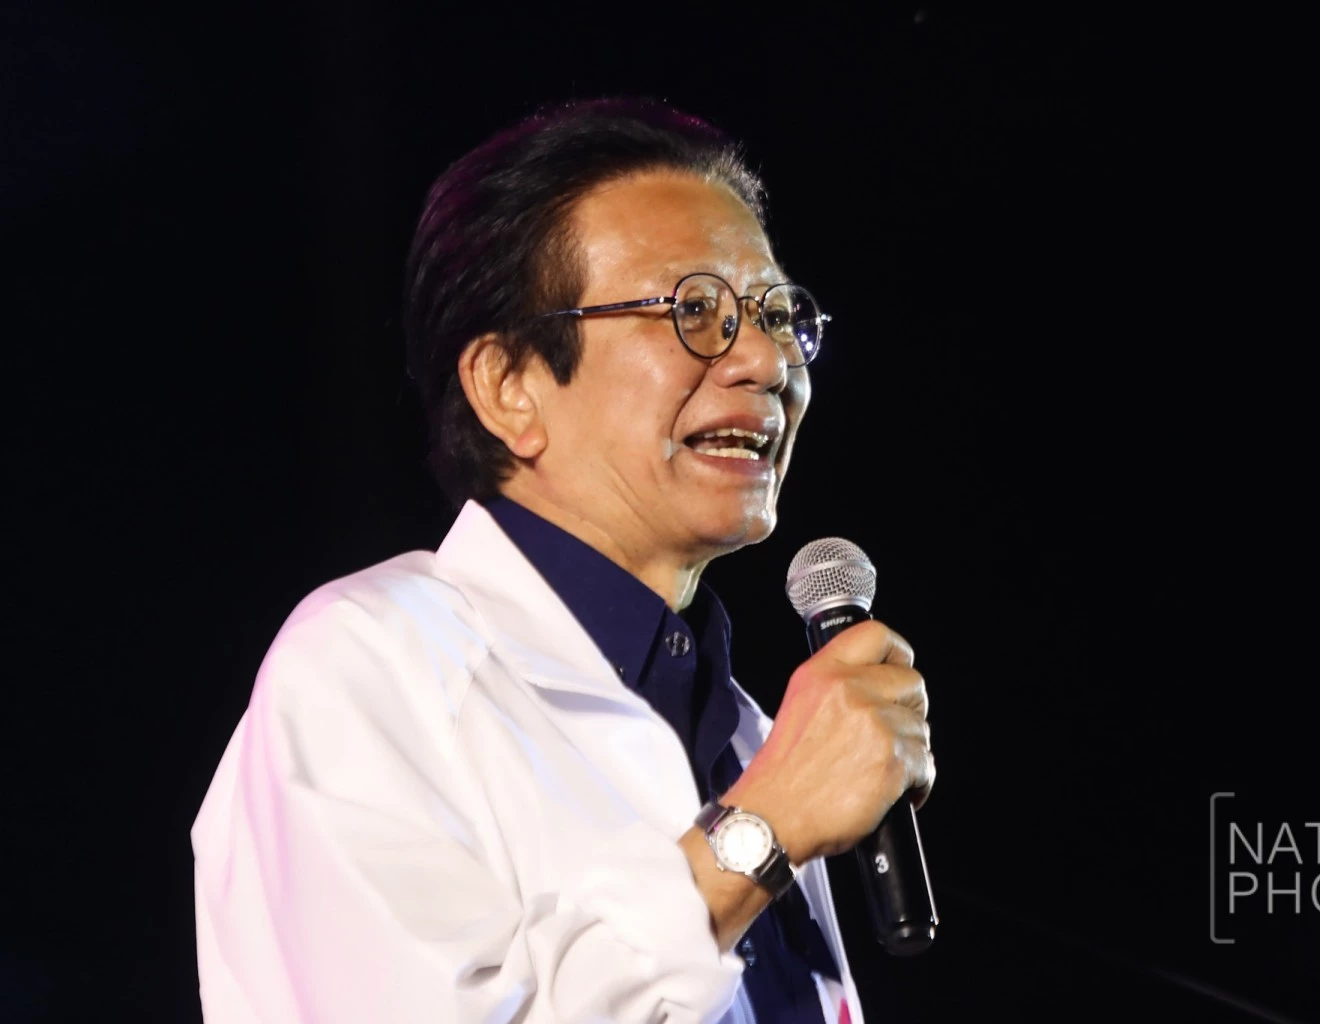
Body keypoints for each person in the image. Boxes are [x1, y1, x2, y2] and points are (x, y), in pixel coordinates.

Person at [190, 98, 935, 1024]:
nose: (764, 361)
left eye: (777, 315)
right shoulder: (369, 662)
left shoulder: (741, 730)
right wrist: (764, 826)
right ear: (509, 386)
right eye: (693, 310)